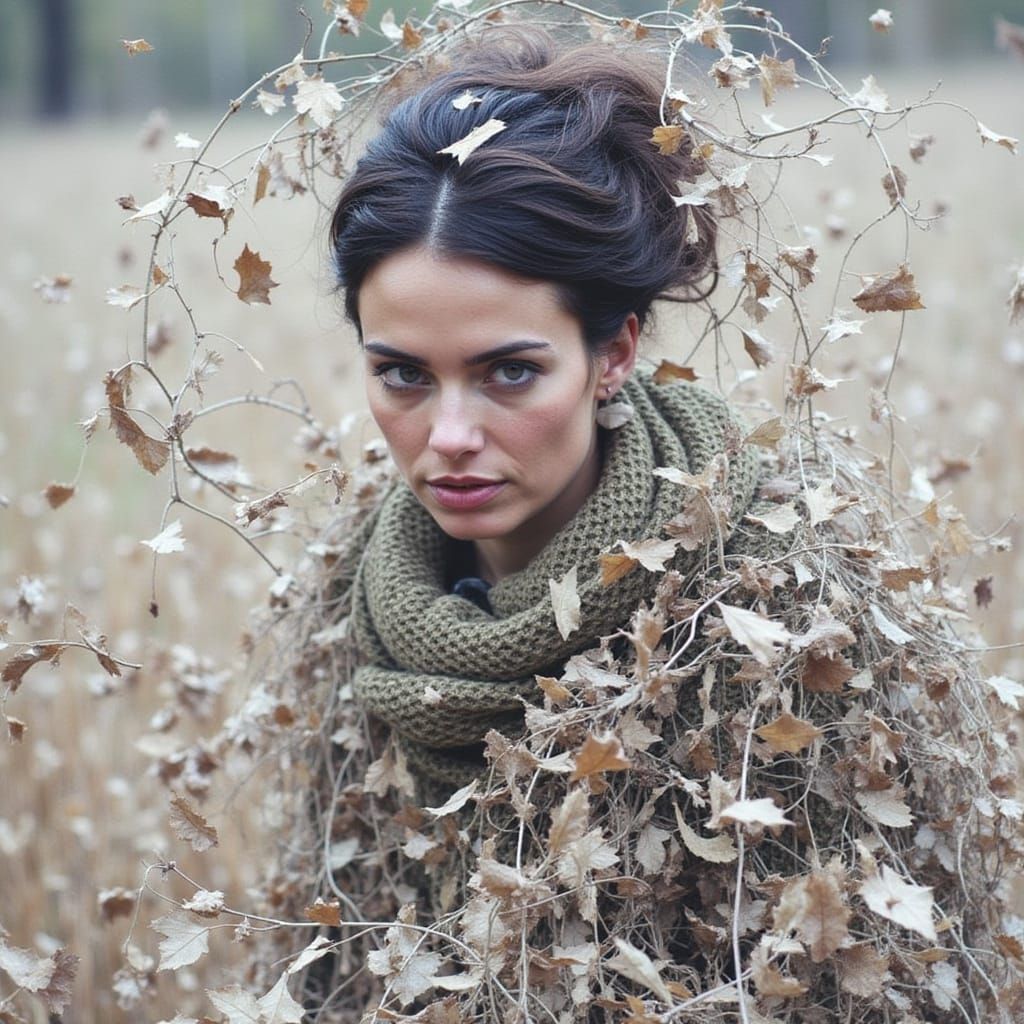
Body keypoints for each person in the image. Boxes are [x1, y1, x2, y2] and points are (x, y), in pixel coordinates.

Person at [326, 27, 770, 789]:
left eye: (510, 372)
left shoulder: (761, 628)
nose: (451, 436)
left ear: (615, 355)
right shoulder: (343, 604)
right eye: (402, 373)